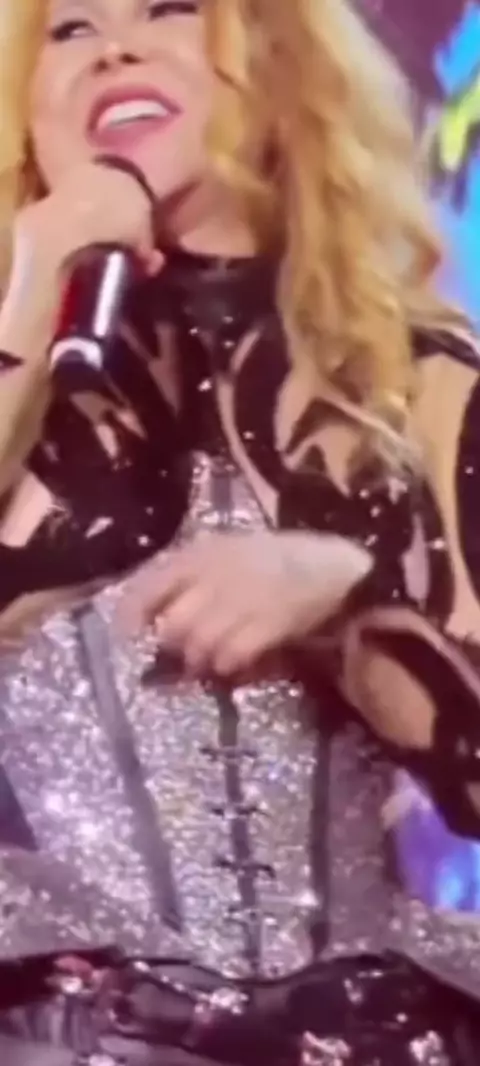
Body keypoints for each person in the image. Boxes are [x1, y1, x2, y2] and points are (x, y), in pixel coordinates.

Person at [1, 0, 480, 1062]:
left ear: (278, 61)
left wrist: (348, 596)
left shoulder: (424, 382)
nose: (117, 47)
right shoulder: (26, 346)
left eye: (170, 8)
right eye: (70, 29)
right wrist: (40, 263)